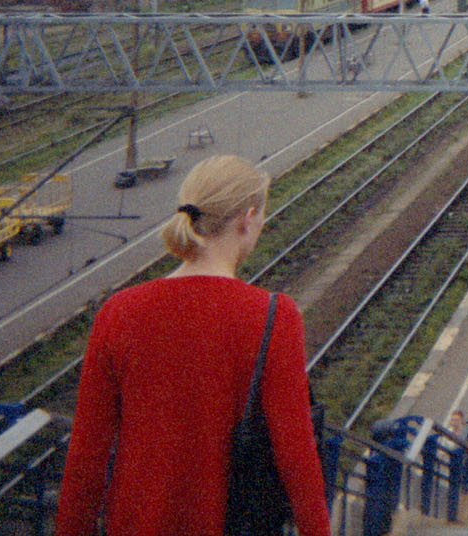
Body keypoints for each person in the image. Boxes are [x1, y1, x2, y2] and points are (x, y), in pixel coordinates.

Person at [56, 155, 331, 536]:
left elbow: (86, 459)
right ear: (248, 218)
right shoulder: (274, 316)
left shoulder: (118, 313)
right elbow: (297, 456)